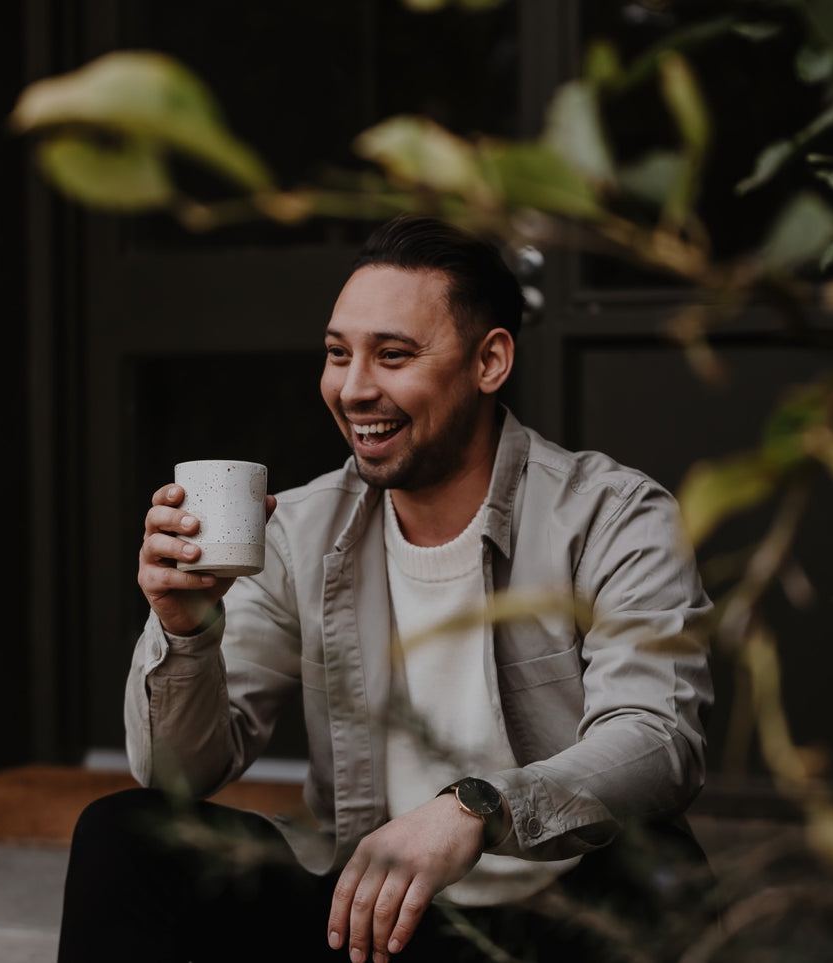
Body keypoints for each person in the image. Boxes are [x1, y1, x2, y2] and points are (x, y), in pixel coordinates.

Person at [57, 216, 716, 963]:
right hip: (371, 928)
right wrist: (183, 629)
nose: (354, 388)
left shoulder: (611, 515)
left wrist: (477, 808)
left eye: (393, 355)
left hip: (560, 920)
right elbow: (177, 774)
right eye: (338, 354)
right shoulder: (297, 530)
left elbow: (658, 741)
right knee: (127, 834)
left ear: (490, 360)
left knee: (659, 863)